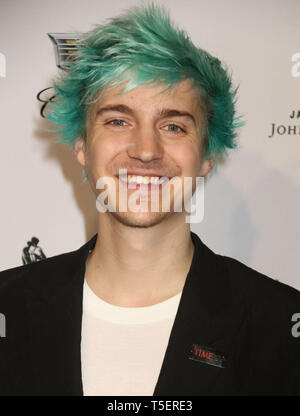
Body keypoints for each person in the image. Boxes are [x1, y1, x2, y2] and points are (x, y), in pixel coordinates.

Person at [0, 3, 299, 396]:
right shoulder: (9, 307)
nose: (145, 150)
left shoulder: (280, 326)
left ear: (207, 155)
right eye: (118, 121)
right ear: (80, 144)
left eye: (173, 126)